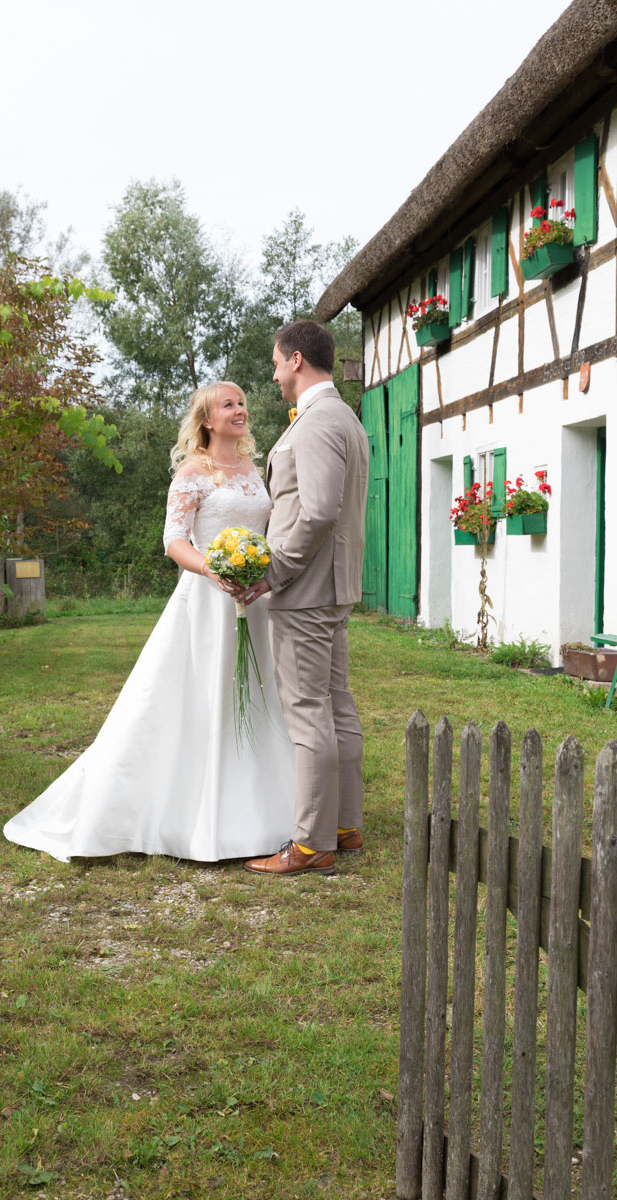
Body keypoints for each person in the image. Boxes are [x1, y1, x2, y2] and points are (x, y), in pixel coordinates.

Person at [3, 381, 294, 863]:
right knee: (197, 701)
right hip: (206, 600)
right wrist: (213, 569)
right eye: (229, 405)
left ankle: (264, 815)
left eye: (242, 403)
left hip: (254, 601)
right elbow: (174, 540)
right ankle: (190, 817)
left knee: (258, 701)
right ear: (206, 419)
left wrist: (257, 571)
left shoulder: (252, 469)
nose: (240, 410)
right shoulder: (193, 472)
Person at [242, 320, 369, 878]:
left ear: (297, 360)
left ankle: (312, 842)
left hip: (306, 590)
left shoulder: (318, 423)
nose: (273, 375)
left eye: (276, 363)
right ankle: (344, 824)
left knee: (308, 710)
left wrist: (276, 571)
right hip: (332, 588)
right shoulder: (344, 417)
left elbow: (317, 511)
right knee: (337, 704)